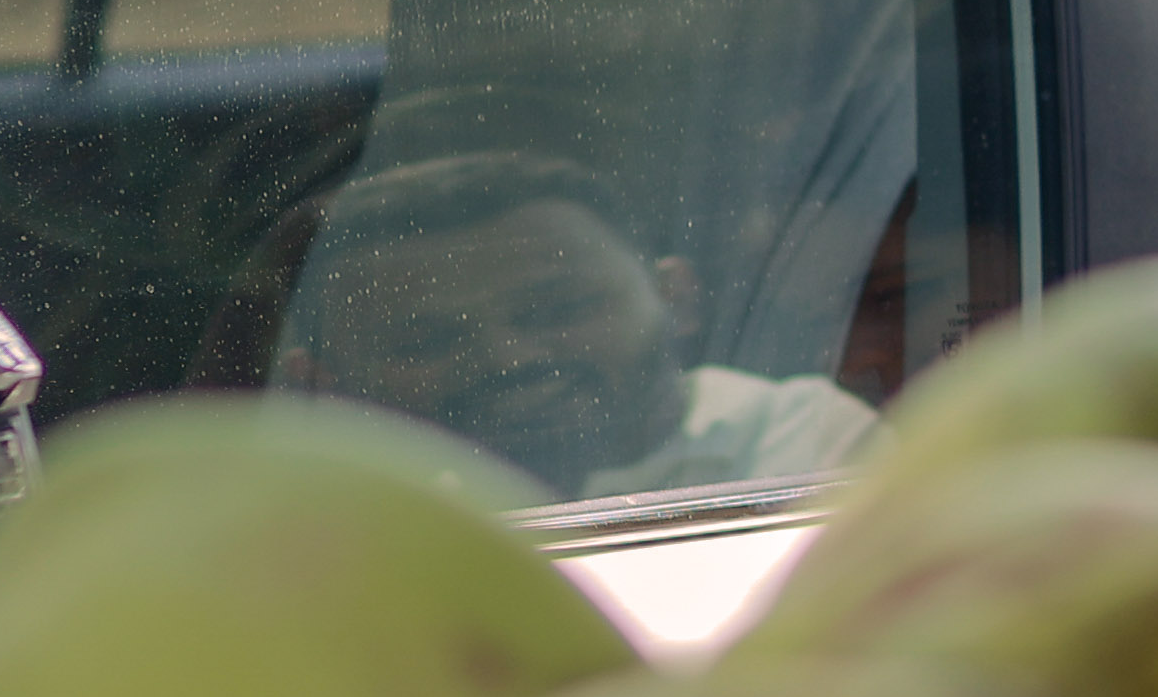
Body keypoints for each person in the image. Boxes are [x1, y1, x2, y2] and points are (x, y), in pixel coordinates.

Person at [275, 149, 879, 498]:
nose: (508, 359)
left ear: (678, 299)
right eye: (424, 341)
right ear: (323, 387)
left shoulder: (801, 447)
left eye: (561, 311)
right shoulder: (318, 525)